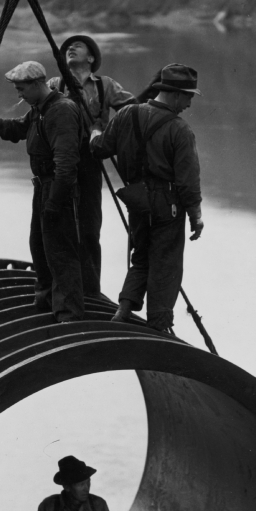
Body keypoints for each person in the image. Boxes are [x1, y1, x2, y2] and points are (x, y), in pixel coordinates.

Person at [90, 63, 205, 333]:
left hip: (137, 201)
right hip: (168, 206)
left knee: (141, 257)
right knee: (166, 264)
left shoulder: (127, 114)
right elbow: (188, 181)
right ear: (175, 94)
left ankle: (124, 308)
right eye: (188, 96)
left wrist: (95, 131)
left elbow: (101, 148)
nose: (189, 103)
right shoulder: (181, 130)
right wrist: (195, 215)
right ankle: (160, 326)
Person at [0, 61, 85, 322]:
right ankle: (46, 303)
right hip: (43, 187)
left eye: (21, 88)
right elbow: (15, 130)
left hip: (57, 189)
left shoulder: (61, 111)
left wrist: (55, 202)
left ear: (37, 84)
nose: (18, 94)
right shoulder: (39, 110)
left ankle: (69, 316)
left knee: (60, 251)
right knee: (40, 246)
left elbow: (67, 164)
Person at [49, 35, 136, 297]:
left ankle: (89, 291)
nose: (70, 48)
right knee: (57, 226)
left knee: (89, 227)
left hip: (90, 160)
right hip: (60, 160)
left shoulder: (105, 85)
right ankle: (62, 290)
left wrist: (105, 131)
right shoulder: (55, 84)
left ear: (91, 58)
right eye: (67, 48)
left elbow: (133, 110)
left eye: (78, 46)